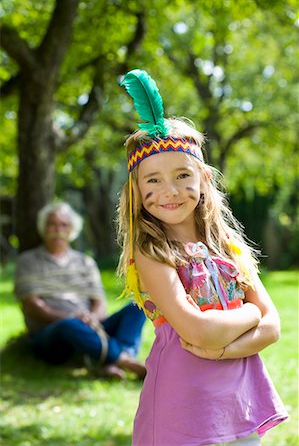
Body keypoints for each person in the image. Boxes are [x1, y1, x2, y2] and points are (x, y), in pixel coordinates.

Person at [117, 69, 288, 445]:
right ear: (135, 191)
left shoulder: (227, 243)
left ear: (203, 180)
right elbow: (196, 330)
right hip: (184, 408)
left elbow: (272, 325)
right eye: (153, 180)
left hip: (240, 401)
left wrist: (224, 347)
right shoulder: (151, 253)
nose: (170, 191)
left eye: (182, 175)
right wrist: (249, 316)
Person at [14, 201, 146, 380]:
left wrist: (91, 318)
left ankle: (112, 361)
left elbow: (99, 303)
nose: (57, 229)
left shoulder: (85, 262)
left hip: (89, 327)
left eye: (64, 225)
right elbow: (32, 306)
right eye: (52, 224)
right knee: (69, 324)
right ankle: (127, 361)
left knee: (138, 306)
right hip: (52, 336)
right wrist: (72, 319)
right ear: (43, 228)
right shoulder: (27, 261)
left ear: (72, 230)